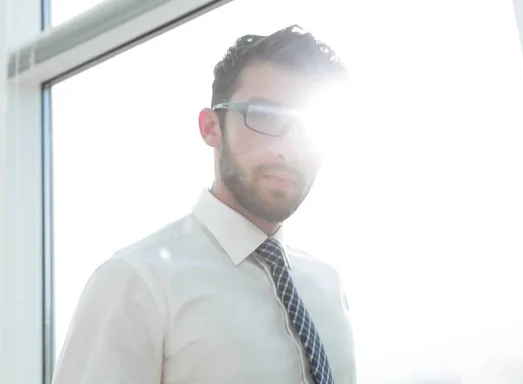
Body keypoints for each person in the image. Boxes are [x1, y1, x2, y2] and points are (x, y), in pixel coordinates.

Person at [52, 25, 356, 384]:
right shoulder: (136, 282)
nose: (289, 148)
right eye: (266, 117)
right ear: (212, 127)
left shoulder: (327, 286)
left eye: (309, 128)